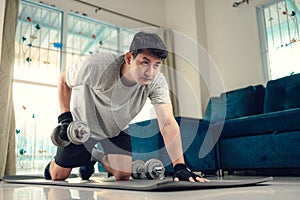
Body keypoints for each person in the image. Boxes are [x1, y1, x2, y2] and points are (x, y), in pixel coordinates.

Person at [44, 31, 209, 182]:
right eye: (145, 62)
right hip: (84, 127)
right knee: (58, 176)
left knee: (123, 175)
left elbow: (167, 123)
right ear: (129, 58)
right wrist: (65, 119)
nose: (150, 72)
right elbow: (64, 79)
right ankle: (57, 163)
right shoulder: (98, 66)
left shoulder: (156, 82)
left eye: (156, 65)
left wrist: (179, 166)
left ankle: (94, 156)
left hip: (116, 128)